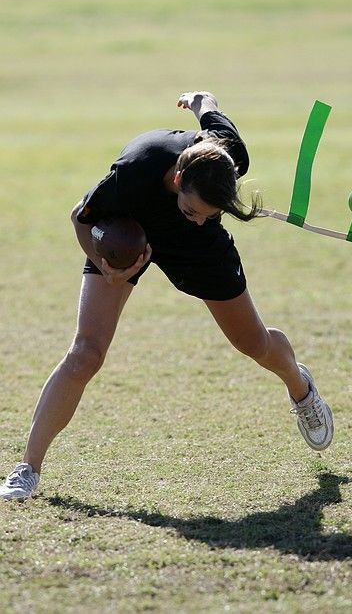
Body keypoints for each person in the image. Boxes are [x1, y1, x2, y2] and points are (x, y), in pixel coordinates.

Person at [0, 91, 333, 501]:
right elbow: (79, 216)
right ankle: (27, 469)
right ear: (177, 180)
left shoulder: (229, 158)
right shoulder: (135, 172)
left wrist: (198, 101)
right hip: (127, 235)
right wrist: (105, 265)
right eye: (196, 210)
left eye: (212, 213)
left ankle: (301, 387)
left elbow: (209, 110)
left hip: (198, 252)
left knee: (254, 343)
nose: (202, 219)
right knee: (85, 352)